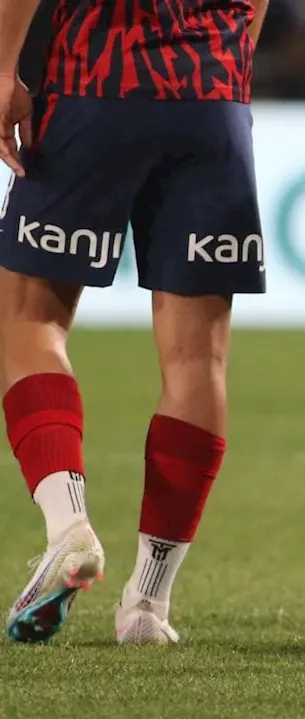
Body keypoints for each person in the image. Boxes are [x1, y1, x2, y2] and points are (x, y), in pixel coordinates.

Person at [0, 0, 270, 645]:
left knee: (28, 318)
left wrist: (5, 69)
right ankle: (148, 602)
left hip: (97, 84)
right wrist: (227, 70)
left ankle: (69, 526)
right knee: (197, 358)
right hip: (214, 98)